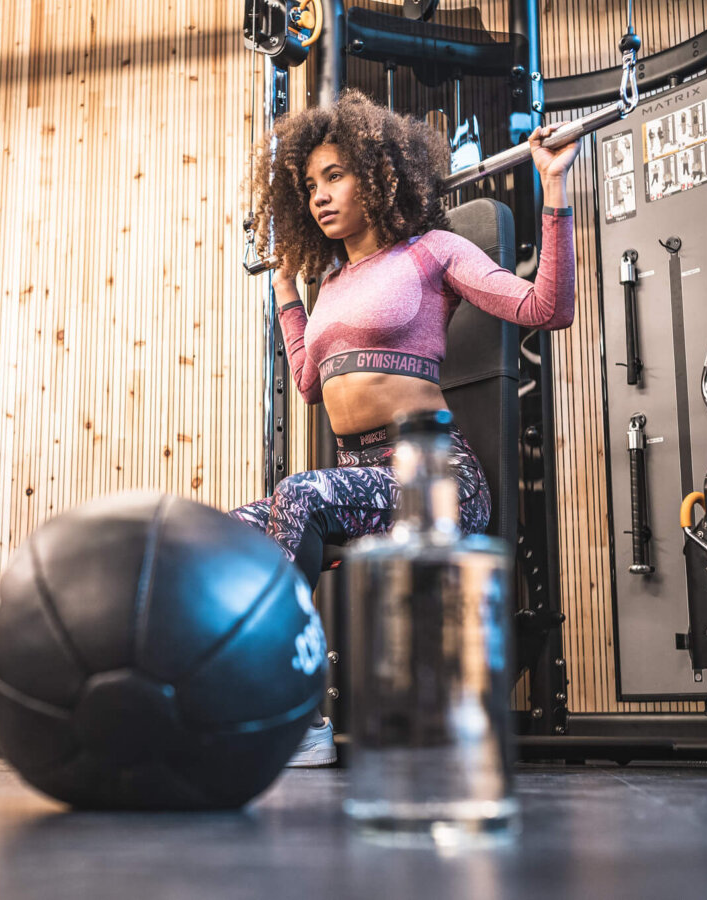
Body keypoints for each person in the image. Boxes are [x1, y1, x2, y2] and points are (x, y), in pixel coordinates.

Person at [230, 90, 578, 765]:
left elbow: (547, 307)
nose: (320, 196)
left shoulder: (433, 253)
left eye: (336, 175)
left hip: (433, 476)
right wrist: (284, 291)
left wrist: (554, 187)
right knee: (226, 535)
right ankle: (227, 700)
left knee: (298, 495)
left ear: (379, 171)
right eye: (309, 184)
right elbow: (309, 382)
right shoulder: (329, 280)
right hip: (359, 478)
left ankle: (298, 714)